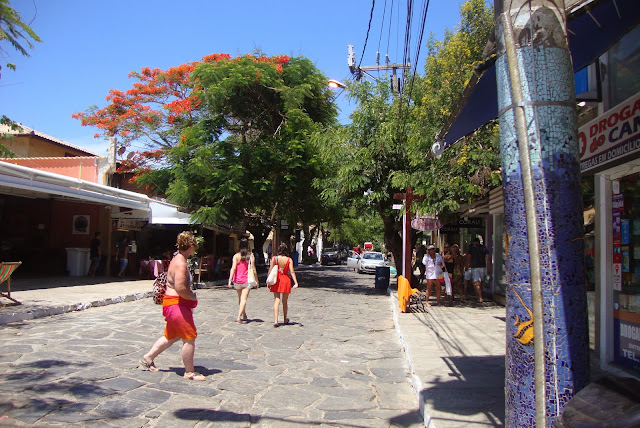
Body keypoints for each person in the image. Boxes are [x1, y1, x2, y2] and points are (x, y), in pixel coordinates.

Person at [140, 231, 204, 381]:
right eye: (194, 246)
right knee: (189, 337)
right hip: (177, 304)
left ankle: (147, 358)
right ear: (191, 246)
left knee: (172, 335)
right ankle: (189, 372)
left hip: (173, 304)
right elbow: (181, 288)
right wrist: (193, 296)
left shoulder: (177, 259)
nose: (195, 250)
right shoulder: (180, 263)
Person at [268, 242, 299, 327]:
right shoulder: (289, 260)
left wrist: (268, 281)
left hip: (276, 280)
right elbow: (292, 272)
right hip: (285, 280)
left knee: (276, 299)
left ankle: (276, 320)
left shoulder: (274, 258)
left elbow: (270, 270)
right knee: (284, 301)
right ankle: (285, 318)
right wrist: (295, 282)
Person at [228, 238, 258, 323]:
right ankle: (239, 316)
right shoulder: (251, 256)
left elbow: (233, 268)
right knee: (244, 299)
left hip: (237, 280)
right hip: (247, 280)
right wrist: (256, 281)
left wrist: (230, 280)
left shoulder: (236, 256)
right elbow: (254, 269)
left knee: (240, 298)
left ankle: (244, 314)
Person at [466, 237, 491, 303]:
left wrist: (467, 265)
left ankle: (479, 297)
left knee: (477, 282)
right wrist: (489, 267)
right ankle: (479, 295)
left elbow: (469, 257)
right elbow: (488, 258)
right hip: (483, 266)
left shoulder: (471, 248)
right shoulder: (484, 248)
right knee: (480, 282)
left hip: (475, 267)